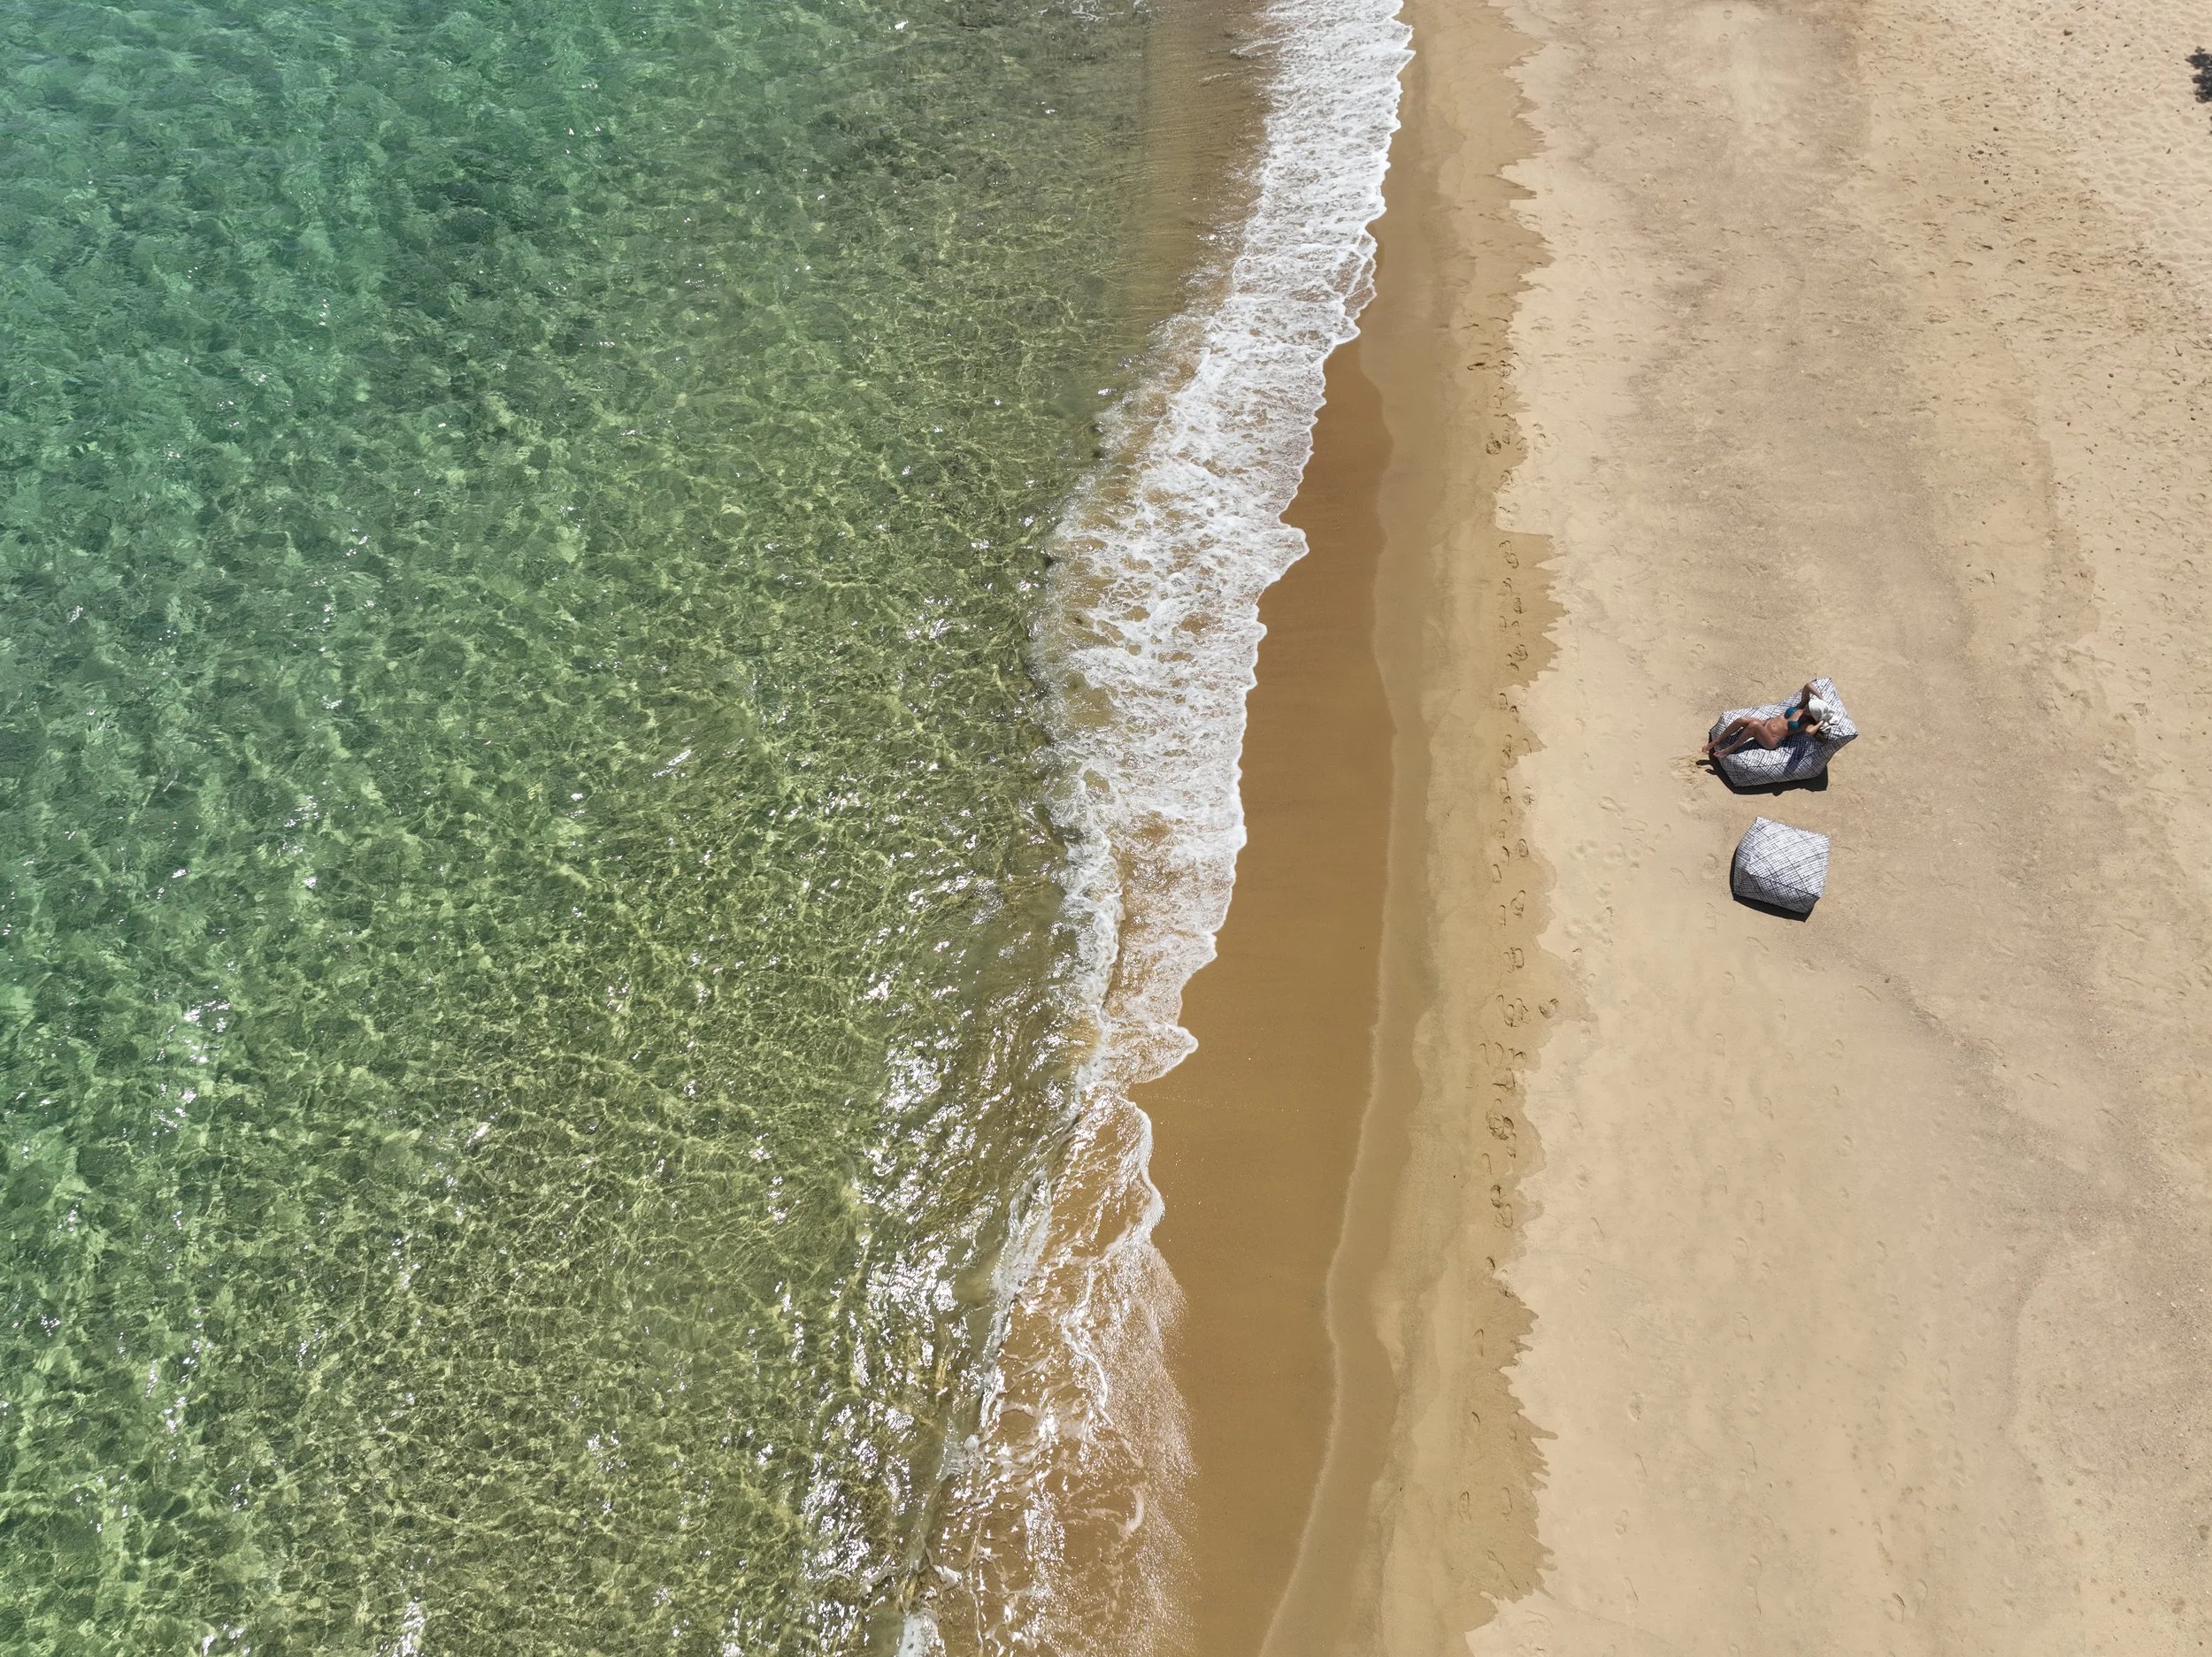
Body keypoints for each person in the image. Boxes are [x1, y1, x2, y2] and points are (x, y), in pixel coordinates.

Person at [1705, 682, 1829, 761]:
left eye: (1810, 709)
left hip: (1771, 740)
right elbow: (1808, 686)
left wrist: (1821, 722)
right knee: (1741, 720)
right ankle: (1718, 739)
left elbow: (1809, 732)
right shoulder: (1802, 706)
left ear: (1813, 714)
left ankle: (1731, 749)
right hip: (1765, 724)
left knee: (1754, 725)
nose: (1807, 707)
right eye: (1810, 705)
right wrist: (1821, 700)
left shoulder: (1807, 723)